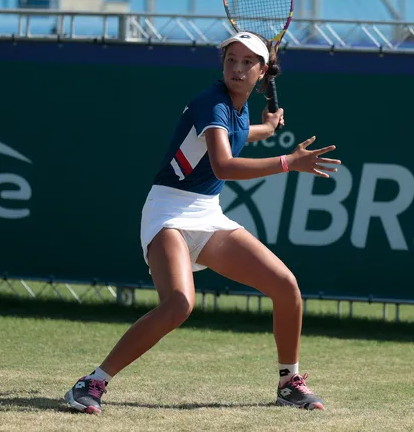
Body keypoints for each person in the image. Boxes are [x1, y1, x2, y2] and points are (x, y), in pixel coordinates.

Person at [64, 31, 341, 414]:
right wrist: (287, 162)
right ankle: (91, 382)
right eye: (232, 60)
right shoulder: (212, 103)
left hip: (207, 213)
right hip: (167, 212)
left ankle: (288, 383)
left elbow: (242, 133)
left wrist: (268, 127)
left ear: (262, 72)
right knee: (178, 304)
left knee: (285, 286)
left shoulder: (236, 107)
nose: (238, 69)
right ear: (222, 64)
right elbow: (223, 164)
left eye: (248, 63)